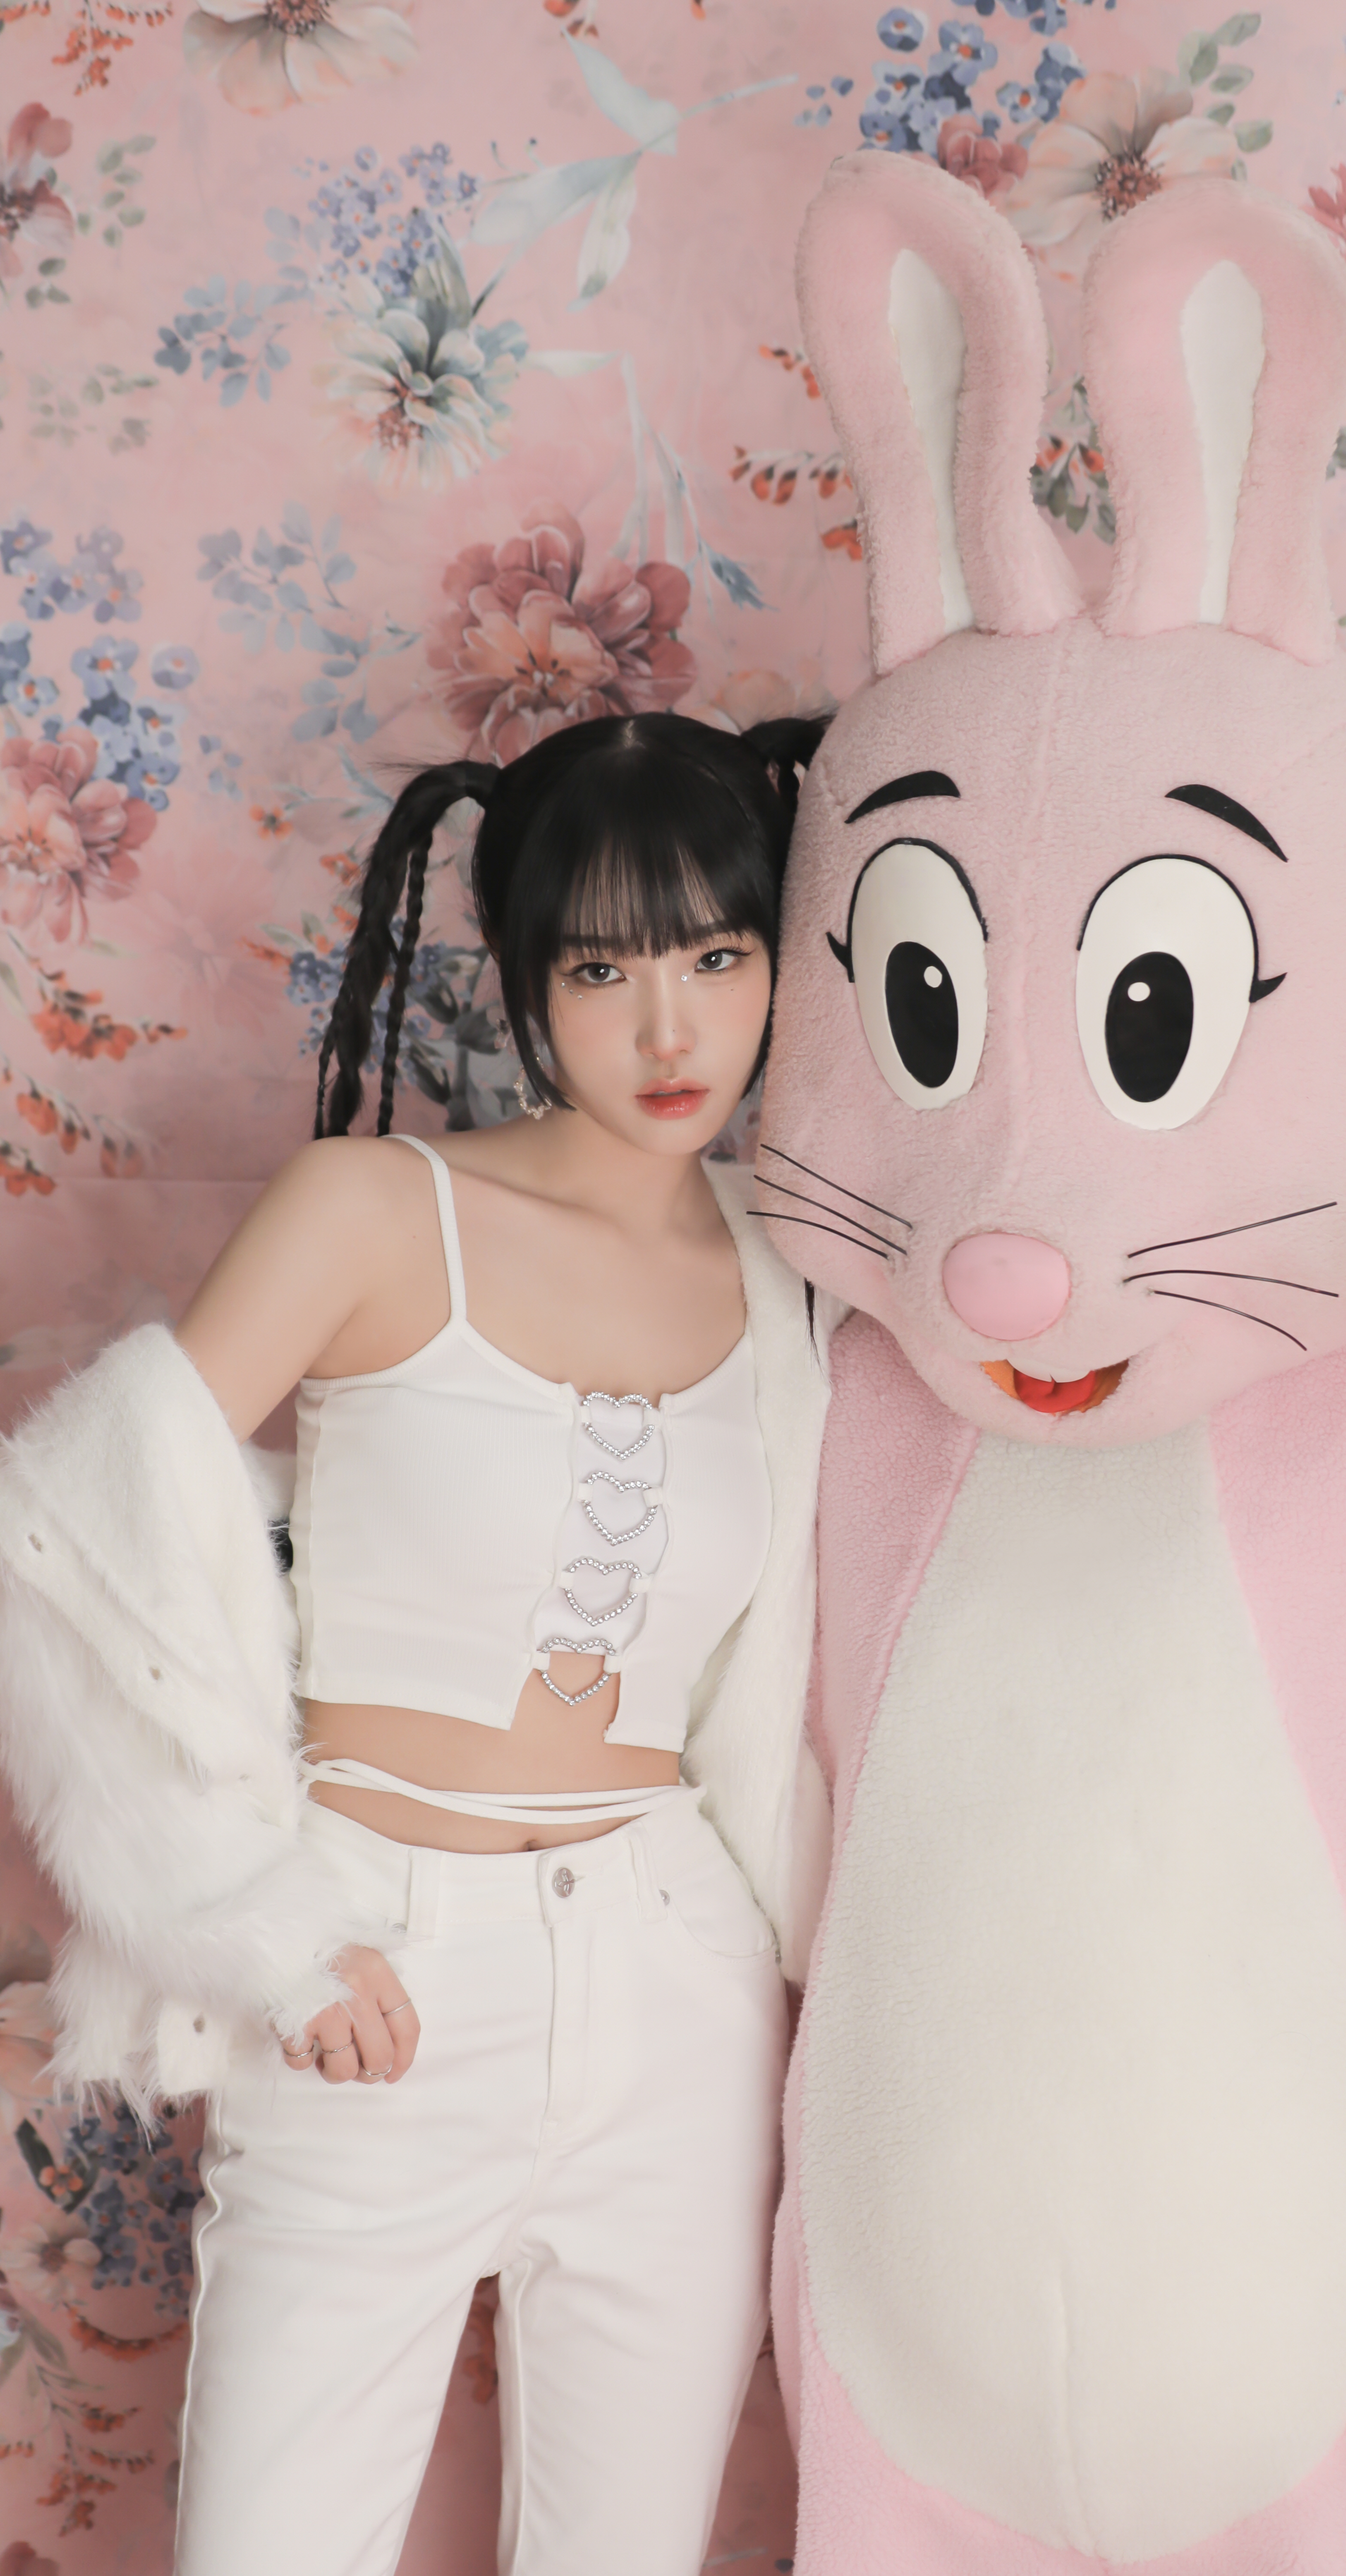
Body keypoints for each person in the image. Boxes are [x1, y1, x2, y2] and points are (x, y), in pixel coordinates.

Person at [0, 709, 837, 2576]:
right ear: (527, 984)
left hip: (676, 1991)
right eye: (603, 972)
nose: (672, 1030)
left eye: (718, 958)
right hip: (377, 1970)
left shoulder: (794, 1280)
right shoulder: (379, 1209)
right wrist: (265, 1929)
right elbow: (68, 1545)